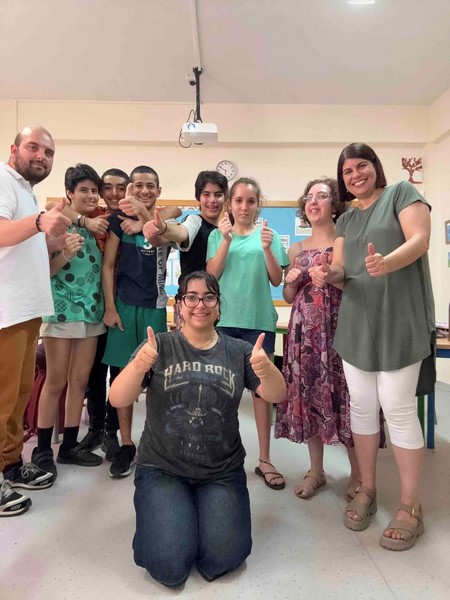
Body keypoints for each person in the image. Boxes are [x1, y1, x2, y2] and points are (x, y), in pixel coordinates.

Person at [109, 271, 286, 587]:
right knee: (168, 564)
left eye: (209, 297)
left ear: (219, 307)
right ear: (179, 305)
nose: (200, 304)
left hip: (221, 471)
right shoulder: (159, 346)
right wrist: (138, 366)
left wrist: (266, 370)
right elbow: (117, 397)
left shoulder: (239, 351)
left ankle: (193, 510)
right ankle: (176, 509)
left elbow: (277, 394)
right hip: (163, 468)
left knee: (224, 557)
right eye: (191, 297)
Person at [310, 143, 435, 551]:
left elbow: (420, 240)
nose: (355, 175)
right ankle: (366, 488)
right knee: (362, 409)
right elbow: (342, 270)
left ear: (375, 167)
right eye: (347, 171)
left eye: (361, 165)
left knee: (398, 409)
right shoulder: (346, 218)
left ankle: (411, 506)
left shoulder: (401, 193)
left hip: (399, 319)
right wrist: (327, 273)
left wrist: (387, 263)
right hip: (356, 323)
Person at [275, 177, 361, 499]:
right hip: (305, 334)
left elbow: (355, 286)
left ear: (334, 204)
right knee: (309, 394)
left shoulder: (346, 241)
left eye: (321, 196)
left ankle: (358, 474)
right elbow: (288, 296)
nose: (313, 202)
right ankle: (316, 470)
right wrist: (291, 281)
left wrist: (329, 278)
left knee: (348, 397)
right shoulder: (296, 249)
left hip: (340, 328)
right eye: (309, 197)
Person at [0, 125, 70, 516]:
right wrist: (40, 222)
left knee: (18, 396)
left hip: (27, 311)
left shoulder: (26, 191)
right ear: (14, 149)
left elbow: (23, 243)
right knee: (2, 397)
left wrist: (55, 240)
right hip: (6, 311)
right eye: (33, 147)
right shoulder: (2, 180)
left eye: (48, 151)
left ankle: (10, 464)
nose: (41, 156)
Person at [207, 177, 289, 490]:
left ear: (258, 205)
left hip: (259, 322)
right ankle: (218, 457)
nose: (244, 207)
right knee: (221, 392)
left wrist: (267, 248)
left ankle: (265, 459)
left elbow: (276, 279)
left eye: (250, 201)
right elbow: (211, 275)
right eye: (238, 200)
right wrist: (226, 240)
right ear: (230, 203)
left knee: (261, 393)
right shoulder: (217, 235)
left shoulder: (269, 236)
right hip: (225, 321)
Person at [102, 166, 179, 478]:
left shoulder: (166, 220)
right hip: (123, 307)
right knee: (123, 377)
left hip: (154, 308)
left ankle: (155, 442)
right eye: (138, 186)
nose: (144, 190)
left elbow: (165, 226)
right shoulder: (118, 223)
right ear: (130, 189)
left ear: (158, 191)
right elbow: (108, 265)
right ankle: (126, 443)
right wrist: (110, 307)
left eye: (150, 186)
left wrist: (142, 219)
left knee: (157, 380)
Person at [34, 164, 106, 475]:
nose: (90, 195)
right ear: (70, 193)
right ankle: (41, 450)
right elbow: (46, 271)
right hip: (61, 313)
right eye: (83, 190)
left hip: (92, 314)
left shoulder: (98, 225)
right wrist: (65, 253)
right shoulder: (58, 223)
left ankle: (69, 447)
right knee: (56, 381)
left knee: (79, 381)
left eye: (94, 190)